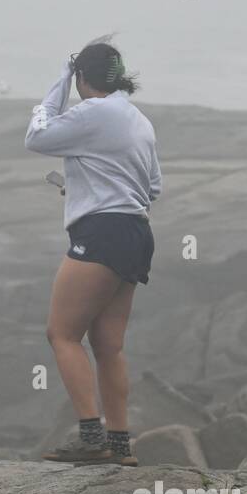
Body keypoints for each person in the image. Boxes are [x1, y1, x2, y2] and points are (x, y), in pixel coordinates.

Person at [25, 40, 161, 464]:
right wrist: (92, 186)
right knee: (108, 344)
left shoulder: (93, 112)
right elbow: (152, 187)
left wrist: (59, 83)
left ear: (83, 78)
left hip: (101, 233)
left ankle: (91, 438)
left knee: (62, 334)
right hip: (136, 232)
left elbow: (37, 136)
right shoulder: (139, 120)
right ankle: (120, 444)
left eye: (77, 77)